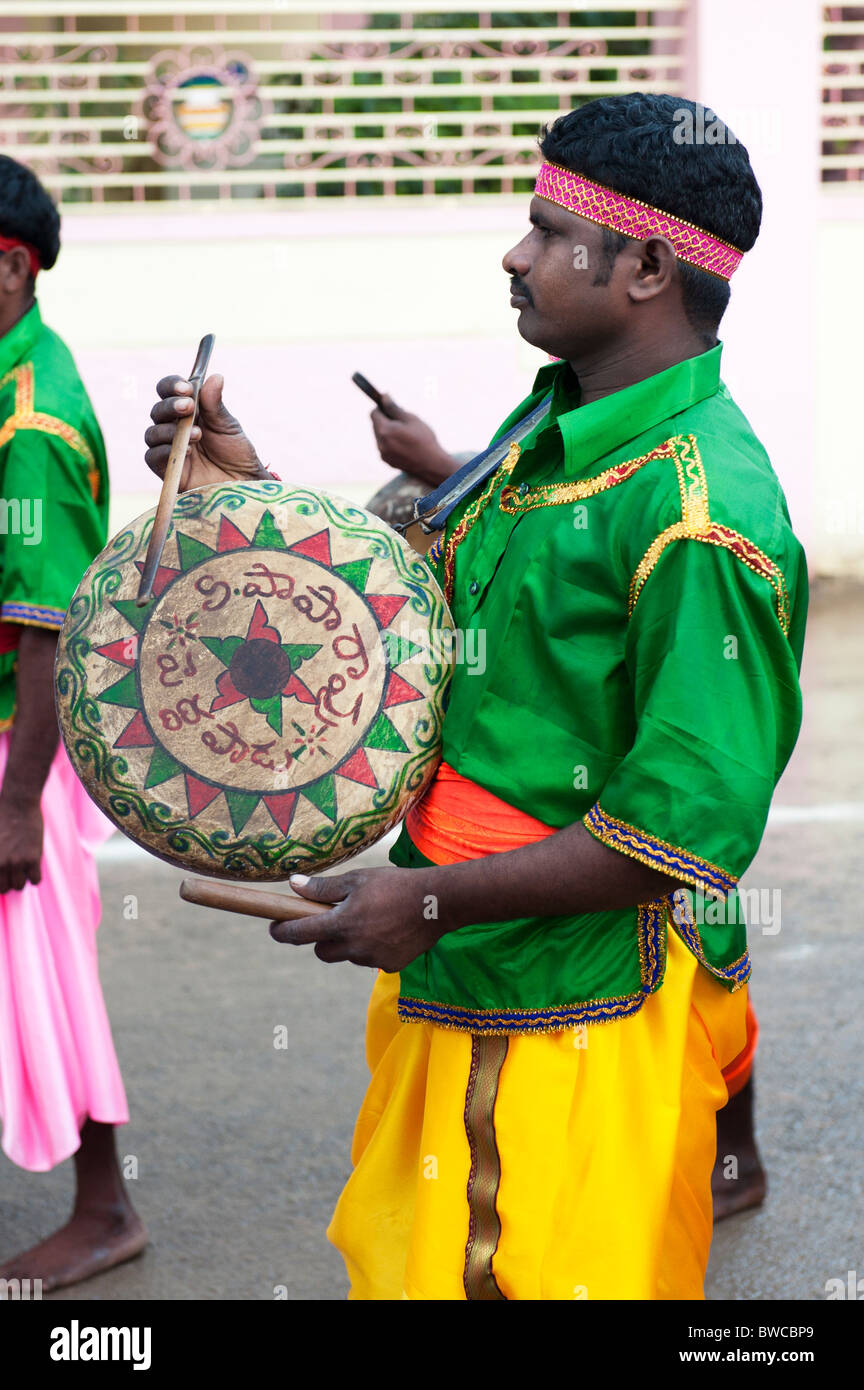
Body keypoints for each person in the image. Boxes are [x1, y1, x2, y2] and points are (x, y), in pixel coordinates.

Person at [145, 93, 806, 1299]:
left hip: (573, 1018)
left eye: (552, 233)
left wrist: (431, 905)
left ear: (646, 265)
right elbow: (421, 613)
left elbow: (684, 828)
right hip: (467, 973)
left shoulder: (702, 511)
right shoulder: (560, 419)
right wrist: (247, 486)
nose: (517, 254)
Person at [0, 156, 145, 1292]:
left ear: (11, 266)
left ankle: (104, 1208)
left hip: (19, 747)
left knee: (46, 973)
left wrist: (16, 807)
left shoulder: (31, 419)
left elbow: (43, 622)